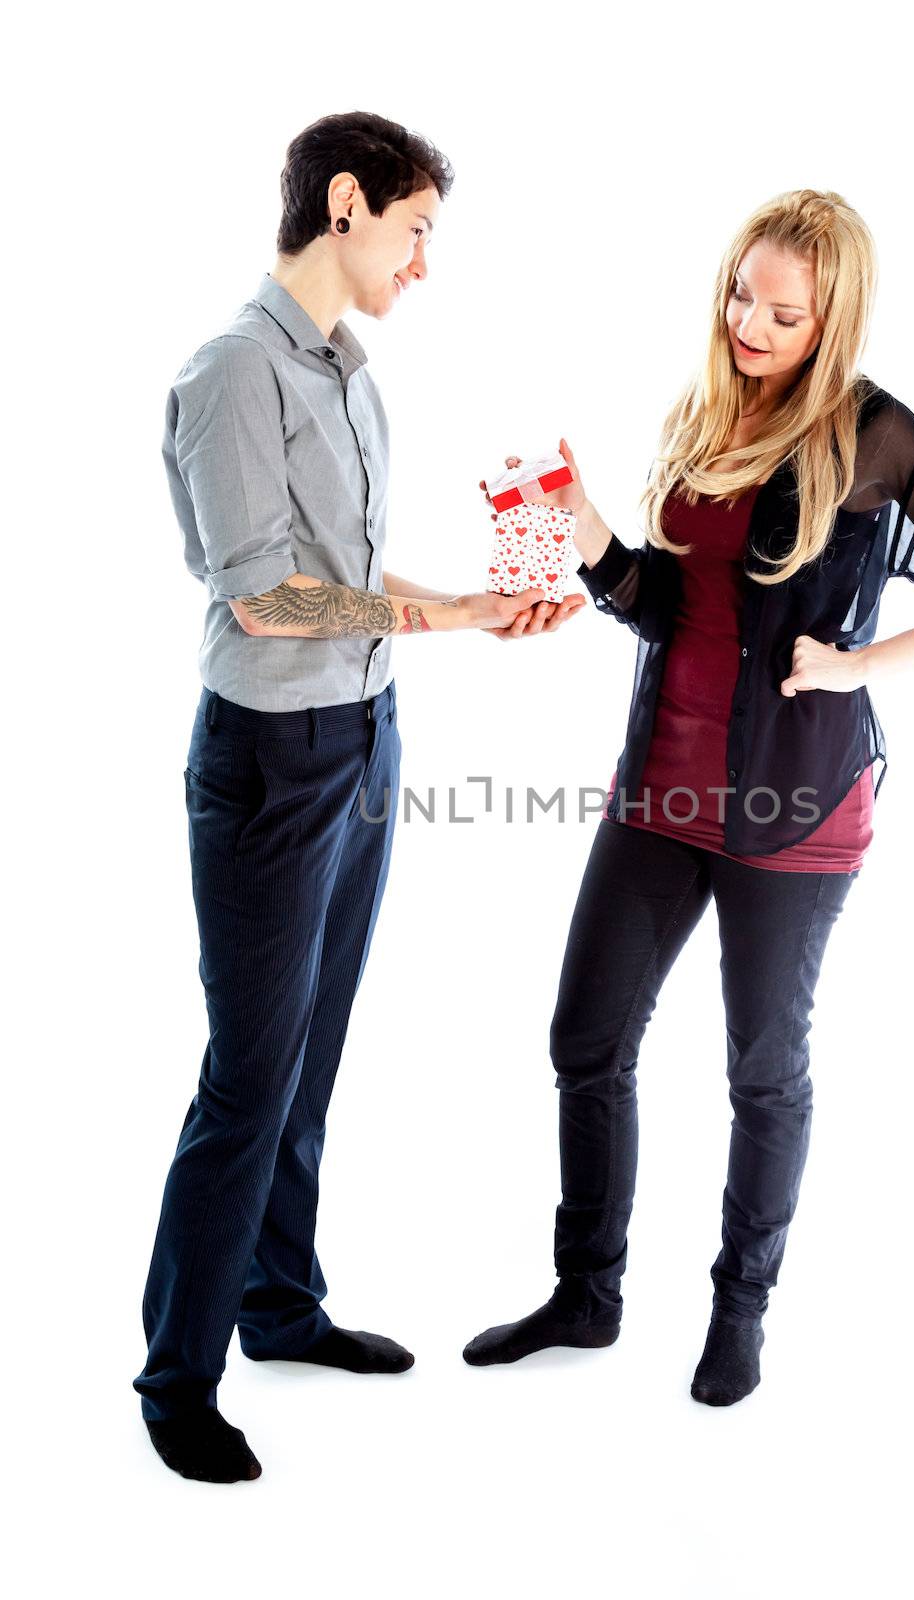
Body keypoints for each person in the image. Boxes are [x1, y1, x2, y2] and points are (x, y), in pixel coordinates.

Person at [462, 187, 914, 1406]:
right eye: (740, 295)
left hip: (793, 805)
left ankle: (739, 1311)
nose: (751, 323)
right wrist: (575, 521)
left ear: (830, 320)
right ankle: (588, 1292)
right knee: (584, 1038)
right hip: (658, 788)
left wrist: (859, 663)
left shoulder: (873, 434)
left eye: (783, 311)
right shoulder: (703, 412)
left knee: (761, 1070)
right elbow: (663, 605)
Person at [134, 110, 584, 1484]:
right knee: (248, 1076)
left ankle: (279, 1305)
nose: (424, 261)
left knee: (312, 1053)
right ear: (345, 203)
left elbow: (348, 576)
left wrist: (470, 605)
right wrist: (445, 618)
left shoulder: (349, 378)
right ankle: (178, 1372)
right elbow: (263, 596)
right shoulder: (230, 373)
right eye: (417, 228)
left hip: (367, 736)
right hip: (272, 761)